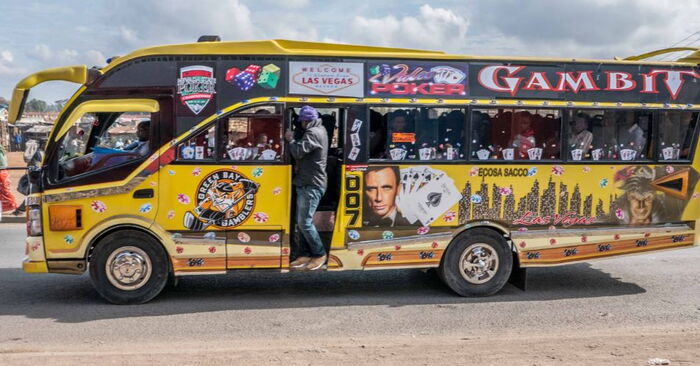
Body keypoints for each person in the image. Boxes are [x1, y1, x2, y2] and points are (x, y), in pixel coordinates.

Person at [285, 106, 328, 271]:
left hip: (312, 183)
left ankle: (319, 254)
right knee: (301, 222)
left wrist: (290, 139)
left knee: (305, 222)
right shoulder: (319, 129)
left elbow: (297, 151)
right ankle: (304, 254)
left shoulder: (313, 133)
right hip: (305, 182)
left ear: (304, 121)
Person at [0, 144, 18, 213]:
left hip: (1, 172)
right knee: (4, 191)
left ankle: (13, 205)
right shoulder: (2, 149)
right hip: (3, 172)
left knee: (5, 191)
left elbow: (2, 163)